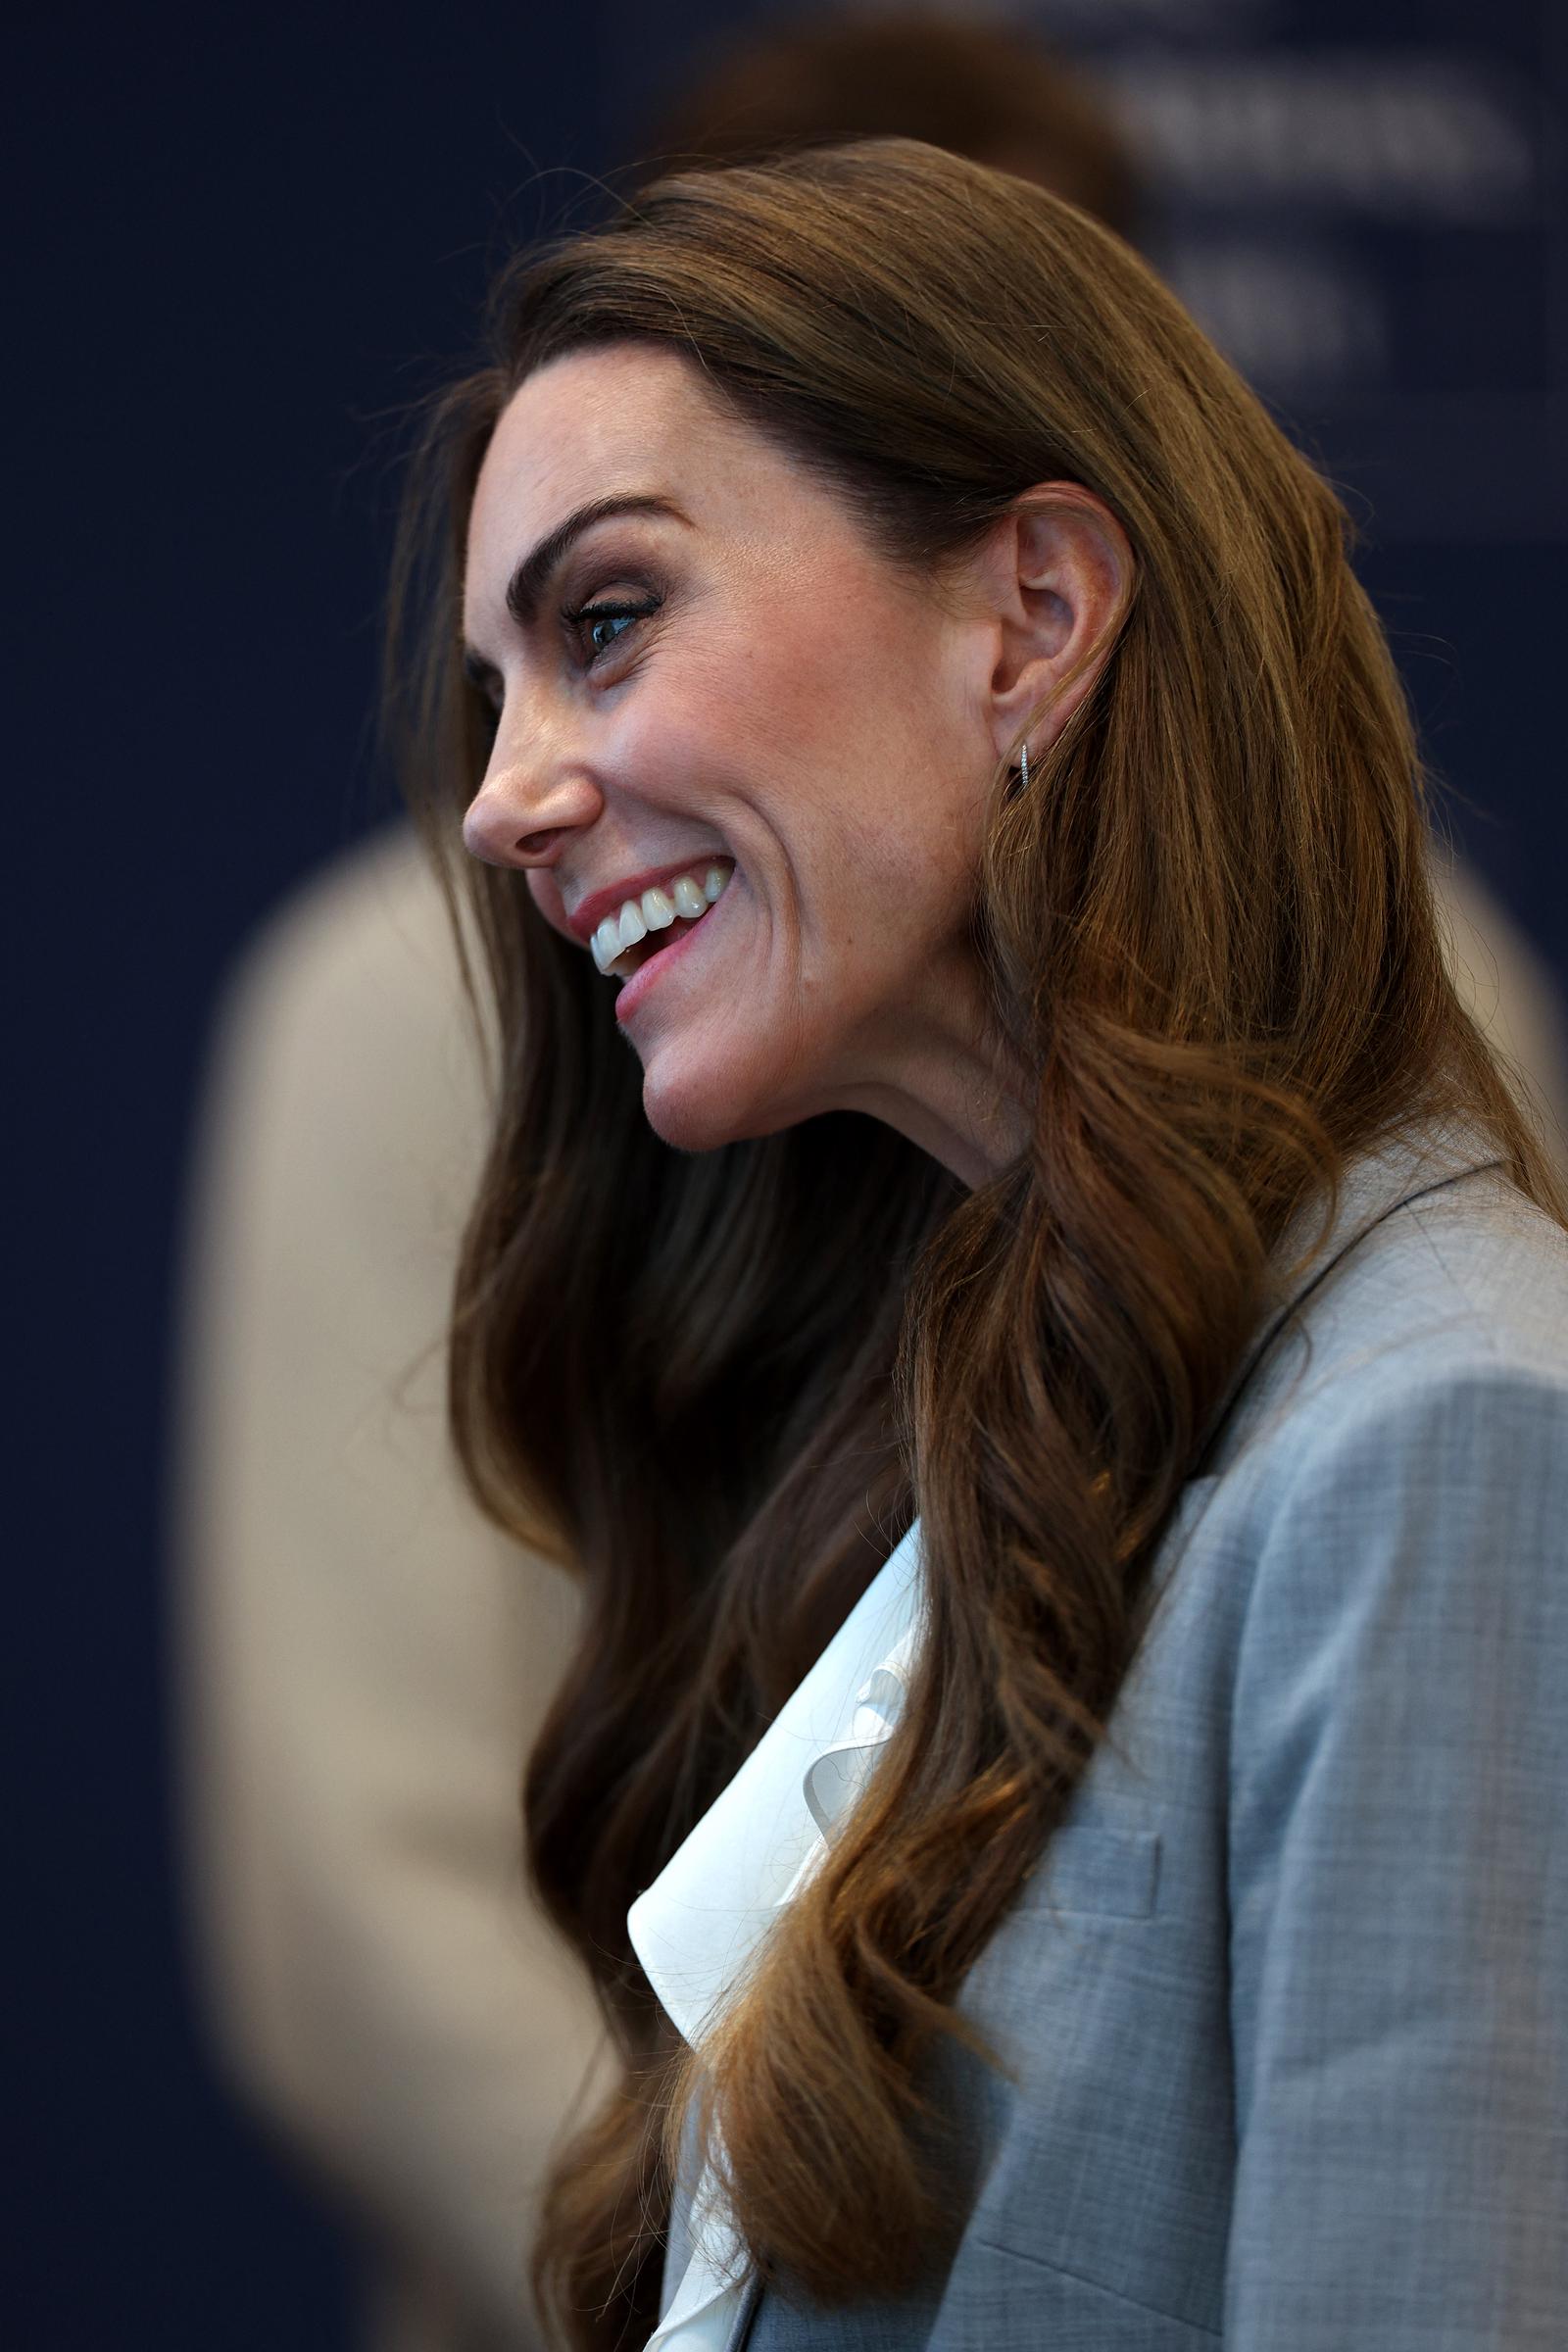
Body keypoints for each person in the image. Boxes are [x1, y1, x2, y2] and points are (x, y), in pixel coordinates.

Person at [385, 137, 1568, 2352]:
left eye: (605, 622)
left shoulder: (1453, 1437)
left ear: (1027, 618)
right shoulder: (1020, 1422)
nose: (502, 794)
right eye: (493, 688)